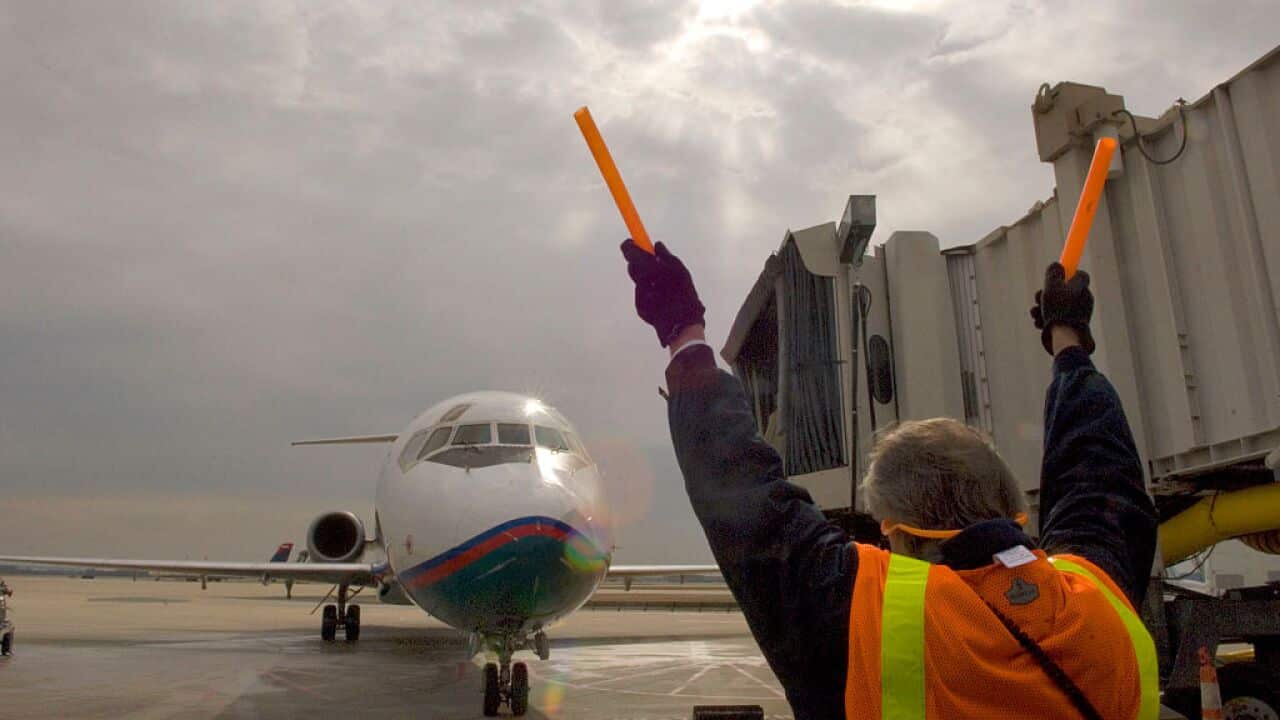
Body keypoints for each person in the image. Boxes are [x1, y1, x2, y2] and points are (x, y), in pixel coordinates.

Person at [621, 240, 1160, 720]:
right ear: (1010, 503)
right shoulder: (1098, 597)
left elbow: (741, 494)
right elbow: (1099, 472)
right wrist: (1068, 341)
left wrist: (685, 334)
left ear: (898, 534)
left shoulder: (869, 616)